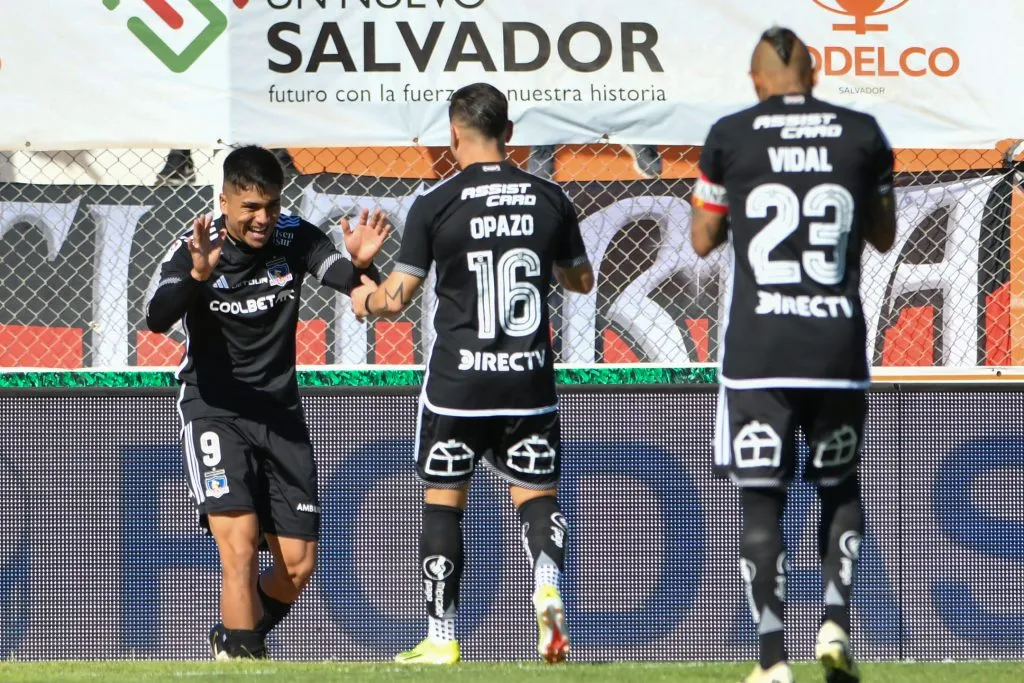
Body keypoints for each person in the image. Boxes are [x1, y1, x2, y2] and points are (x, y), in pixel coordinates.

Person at [351, 82, 594, 665]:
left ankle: (441, 638)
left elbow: (397, 298)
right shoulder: (551, 197)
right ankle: (548, 590)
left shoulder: (437, 202)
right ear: (509, 133)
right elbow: (580, 280)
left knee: (443, 502)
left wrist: (363, 287)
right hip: (527, 380)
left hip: (458, 385)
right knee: (535, 497)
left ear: (453, 133)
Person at [690, 27, 897, 683]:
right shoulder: (862, 134)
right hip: (836, 346)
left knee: (761, 499)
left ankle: (773, 658)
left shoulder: (730, 135)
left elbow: (702, 239)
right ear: (817, 73)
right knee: (840, 486)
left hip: (760, 350)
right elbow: (884, 234)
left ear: (756, 81)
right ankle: (834, 623)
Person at [145, 145, 390, 659]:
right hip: (214, 411)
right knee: (239, 550)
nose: (262, 219)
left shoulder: (294, 235)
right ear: (224, 203)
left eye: (272, 206)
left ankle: (234, 638)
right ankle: (244, 654)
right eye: (250, 207)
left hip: (280, 416)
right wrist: (197, 276)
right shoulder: (196, 246)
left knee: (297, 566)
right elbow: (157, 317)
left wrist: (364, 266)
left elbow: (359, 291)